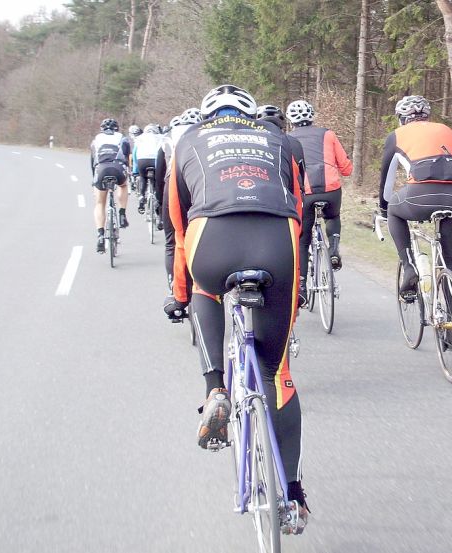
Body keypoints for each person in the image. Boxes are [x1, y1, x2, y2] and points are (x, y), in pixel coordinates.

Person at [163, 85, 309, 531]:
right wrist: (294, 286)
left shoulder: (188, 139)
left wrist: (181, 294)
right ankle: (292, 497)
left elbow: (177, 222)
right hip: (277, 241)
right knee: (276, 373)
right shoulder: (280, 139)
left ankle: (216, 390)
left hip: (211, 239)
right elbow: (302, 212)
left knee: (206, 292)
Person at [378, 95, 452, 296]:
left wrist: (383, 209)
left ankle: (409, 267)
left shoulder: (397, 134)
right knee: (450, 259)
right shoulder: (446, 130)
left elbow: (387, 181)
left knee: (394, 208)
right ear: (427, 116)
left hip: (421, 194)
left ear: (401, 118)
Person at [287, 100, 352, 298]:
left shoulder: (287, 139)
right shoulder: (328, 134)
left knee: (303, 240)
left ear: (290, 121)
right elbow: (347, 169)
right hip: (330, 189)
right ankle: (333, 250)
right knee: (332, 217)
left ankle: (303, 288)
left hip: (305, 192)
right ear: (312, 117)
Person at [258, 104, 311, 305]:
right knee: (297, 242)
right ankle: (297, 288)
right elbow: (301, 178)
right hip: (290, 203)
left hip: (261, 205)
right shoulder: (293, 143)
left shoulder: (257, 142)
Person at [154, 109, 201, 288]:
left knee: (172, 241)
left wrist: (159, 205)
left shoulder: (168, 138)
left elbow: (159, 174)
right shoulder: (204, 133)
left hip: (172, 185)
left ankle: (174, 288)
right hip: (199, 186)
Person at [89, 118, 131, 253]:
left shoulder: (96, 140)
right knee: (123, 185)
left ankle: (101, 235)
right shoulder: (122, 138)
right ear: (116, 129)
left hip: (101, 169)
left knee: (100, 202)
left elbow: (93, 161)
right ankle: (122, 214)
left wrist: (93, 180)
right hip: (118, 169)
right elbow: (127, 157)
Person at [132, 124, 162, 214]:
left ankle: (141, 196)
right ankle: (159, 200)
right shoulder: (161, 137)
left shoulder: (140, 138)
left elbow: (134, 154)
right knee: (158, 180)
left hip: (142, 160)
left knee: (143, 177)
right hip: (156, 160)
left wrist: (135, 171)